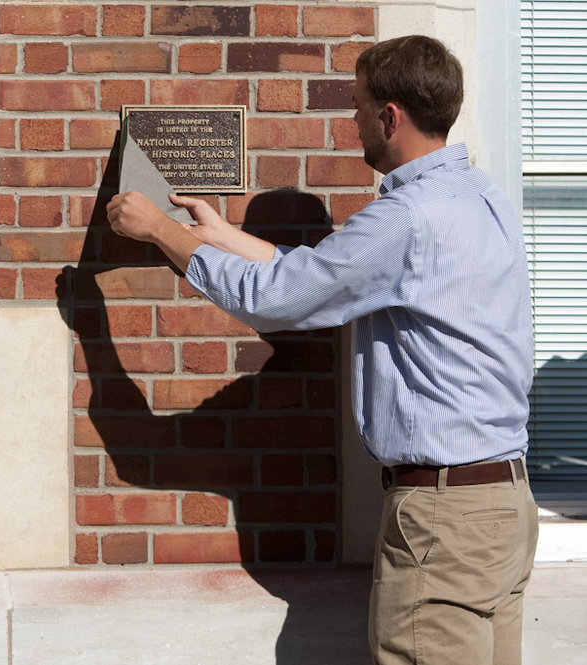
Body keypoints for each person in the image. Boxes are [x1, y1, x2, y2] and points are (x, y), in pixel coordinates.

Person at [107, 35, 537, 665]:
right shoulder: (482, 197)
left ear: (391, 116)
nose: (352, 119)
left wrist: (161, 232)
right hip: (504, 507)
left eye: (359, 106)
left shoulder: (407, 217)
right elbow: (323, 274)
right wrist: (222, 235)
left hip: (443, 524)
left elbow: (280, 299)